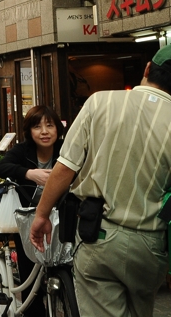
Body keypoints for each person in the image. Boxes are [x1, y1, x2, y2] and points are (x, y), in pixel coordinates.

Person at [30, 46, 171, 317]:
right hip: (152, 245)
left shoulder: (100, 102)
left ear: (147, 70)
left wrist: (41, 215)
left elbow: (65, 168)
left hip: (101, 237)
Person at [0, 106, 65, 317]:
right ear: (29, 131)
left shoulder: (66, 149)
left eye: (49, 125)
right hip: (29, 218)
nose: (44, 131)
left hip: (58, 217)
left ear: (57, 129)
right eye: (37, 126)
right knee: (29, 275)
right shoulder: (22, 151)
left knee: (64, 268)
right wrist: (30, 174)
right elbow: (2, 167)